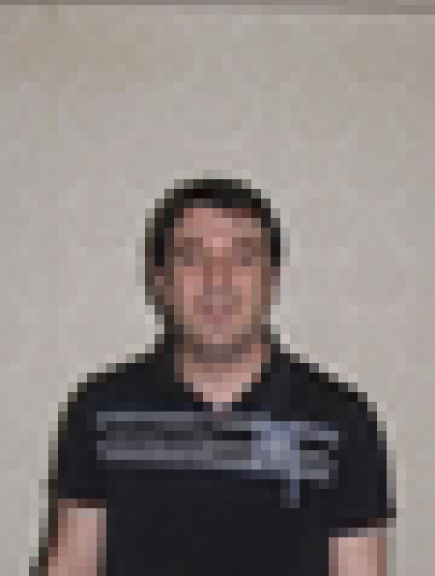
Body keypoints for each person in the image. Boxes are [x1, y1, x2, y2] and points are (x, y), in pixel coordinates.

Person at [40, 176, 395, 576]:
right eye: (192, 257)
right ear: (160, 280)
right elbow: (71, 564)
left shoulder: (343, 421)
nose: (217, 279)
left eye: (242, 257)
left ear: (273, 280)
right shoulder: (99, 412)